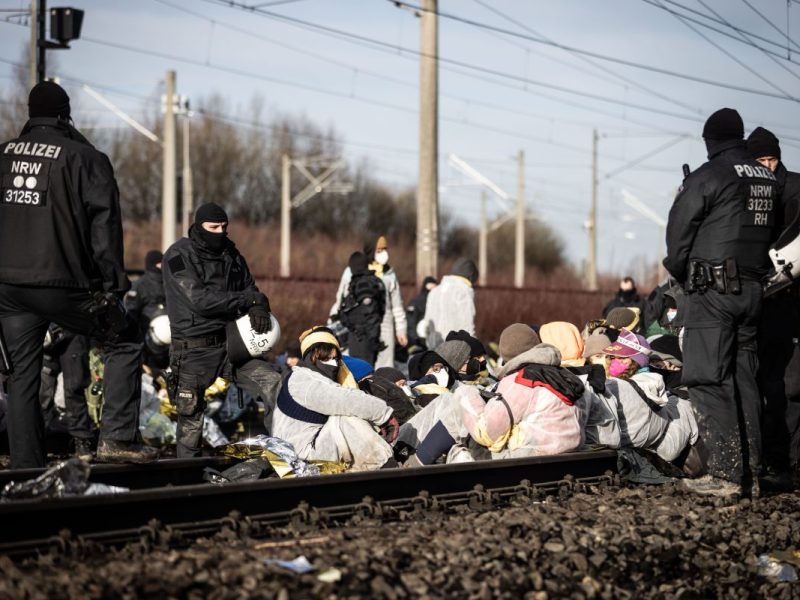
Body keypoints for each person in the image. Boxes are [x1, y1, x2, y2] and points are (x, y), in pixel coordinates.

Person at [0, 81, 157, 467]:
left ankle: (27, 470)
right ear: (65, 114)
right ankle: (117, 438)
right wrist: (112, 287)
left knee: (21, 376)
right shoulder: (86, 158)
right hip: (63, 285)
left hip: (8, 290)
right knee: (127, 337)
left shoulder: (2, 155)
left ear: (30, 112)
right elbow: (104, 226)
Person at [664, 108, 781, 497]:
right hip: (753, 291)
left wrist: (680, 271)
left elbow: (678, 235)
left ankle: (727, 475)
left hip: (712, 293)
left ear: (711, 141)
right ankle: (753, 473)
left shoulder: (707, 176)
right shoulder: (766, 178)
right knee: (743, 377)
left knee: (708, 378)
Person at [162, 202, 282, 458]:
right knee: (191, 415)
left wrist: (258, 306)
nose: (219, 232)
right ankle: (186, 478)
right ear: (199, 226)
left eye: (224, 227)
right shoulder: (177, 256)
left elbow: (251, 289)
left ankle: (280, 454)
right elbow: (200, 300)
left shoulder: (232, 255)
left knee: (275, 385)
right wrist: (246, 301)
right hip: (193, 349)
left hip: (233, 344)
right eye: (213, 227)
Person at [747, 126, 800, 490]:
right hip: (770, 301)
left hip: (787, 301)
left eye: (771, 158)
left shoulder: (791, 189)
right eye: (761, 160)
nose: (767, 165)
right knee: (775, 384)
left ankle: (787, 464)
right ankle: (780, 461)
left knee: (786, 386)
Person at [271, 326, 397, 471]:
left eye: (335, 358)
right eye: (325, 358)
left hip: (311, 447)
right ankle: (388, 467)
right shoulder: (302, 381)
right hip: (301, 457)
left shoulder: (311, 377)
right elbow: (346, 400)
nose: (333, 363)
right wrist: (384, 415)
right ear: (310, 357)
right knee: (346, 417)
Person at [460, 323, 584, 459]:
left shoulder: (520, 381)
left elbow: (487, 433)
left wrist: (467, 394)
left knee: (463, 449)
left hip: (532, 459)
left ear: (505, 354)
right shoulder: (561, 374)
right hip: (571, 453)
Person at [330, 236, 407, 369]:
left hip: (384, 326)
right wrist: (333, 323)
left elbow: (397, 305)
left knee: (384, 367)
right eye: (379, 250)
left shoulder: (389, 274)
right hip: (357, 327)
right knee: (358, 366)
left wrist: (401, 331)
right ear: (371, 250)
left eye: (384, 249)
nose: (383, 253)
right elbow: (341, 299)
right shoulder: (351, 271)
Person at [38, 325, 92, 460]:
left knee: (74, 389)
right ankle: (36, 441)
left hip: (73, 329)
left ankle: (81, 441)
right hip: (44, 328)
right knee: (41, 392)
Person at [336, 252, 385, 365]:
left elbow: (370, 311)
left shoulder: (364, 283)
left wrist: (371, 337)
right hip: (362, 334)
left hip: (362, 336)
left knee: (361, 371)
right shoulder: (371, 281)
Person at [126, 249, 168, 370]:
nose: (161, 266)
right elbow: (131, 312)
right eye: (158, 264)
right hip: (147, 335)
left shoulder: (170, 284)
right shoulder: (139, 286)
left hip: (170, 336)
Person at [422, 258, 479, 348]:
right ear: (470, 277)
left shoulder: (435, 291)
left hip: (433, 348)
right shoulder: (464, 291)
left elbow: (427, 324)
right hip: (456, 350)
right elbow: (467, 326)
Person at [407, 276, 437, 349]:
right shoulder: (416, 302)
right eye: (429, 289)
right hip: (419, 340)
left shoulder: (438, 302)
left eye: (434, 289)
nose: (431, 292)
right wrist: (415, 339)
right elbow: (411, 322)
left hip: (435, 339)